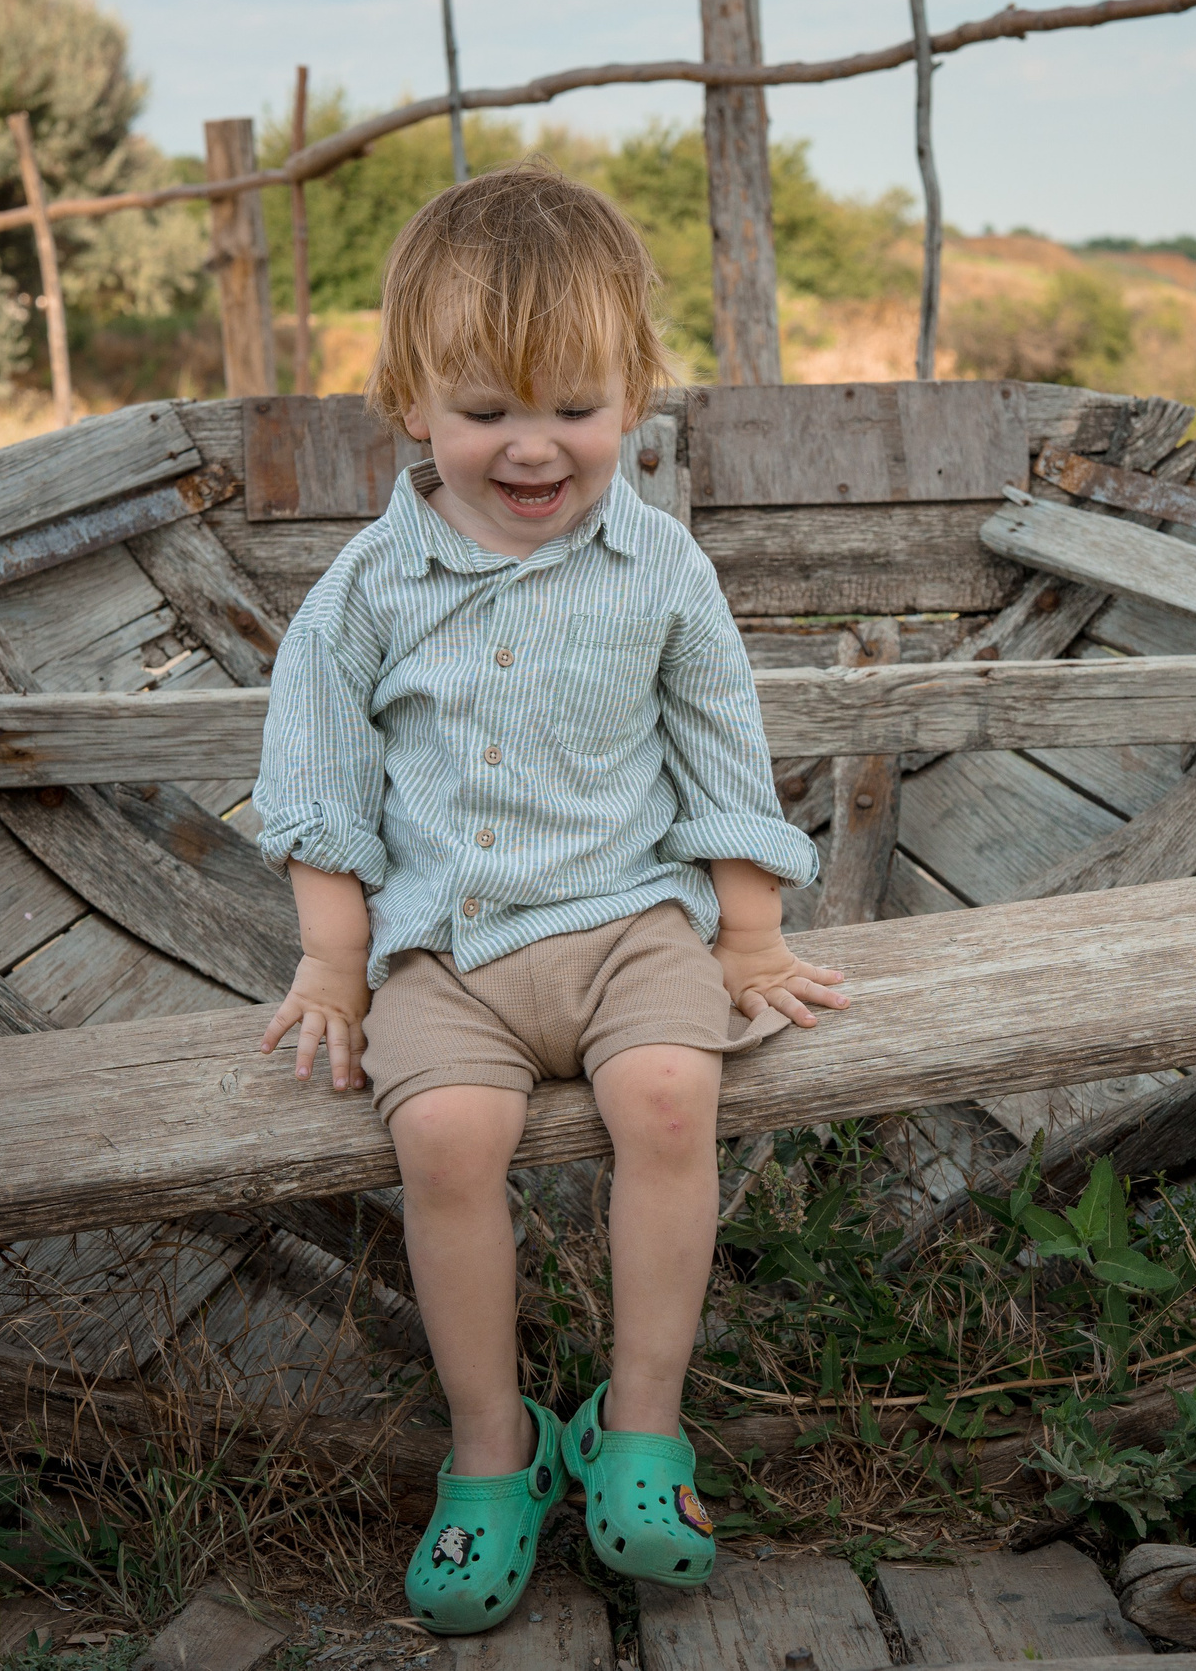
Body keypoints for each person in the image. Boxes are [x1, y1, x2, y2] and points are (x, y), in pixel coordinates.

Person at [251, 163, 848, 1634]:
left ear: (636, 392)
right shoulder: (365, 591)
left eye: (576, 406)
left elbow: (719, 750)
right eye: (486, 411)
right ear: (410, 404)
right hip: (448, 951)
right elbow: (321, 787)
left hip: (633, 924)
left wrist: (749, 933)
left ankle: (638, 1427)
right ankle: (492, 1447)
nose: (533, 446)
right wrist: (333, 968)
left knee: (670, 1102)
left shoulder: (660, 566)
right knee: (446, 1138)